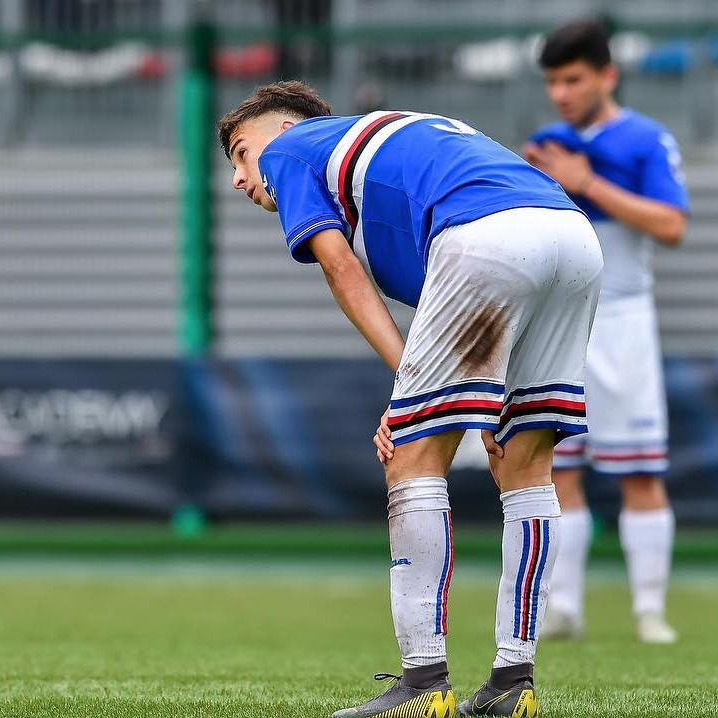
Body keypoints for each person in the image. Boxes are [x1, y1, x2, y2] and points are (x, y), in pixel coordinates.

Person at [219, 81, 603, 717]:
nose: (238, 177)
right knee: (527, 466)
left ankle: (424, 680)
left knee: (410, 455)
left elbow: (341, 269)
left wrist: (409, 392)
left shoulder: (292, 149)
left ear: (283, 130)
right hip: (572, 237)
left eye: (240, 152)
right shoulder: (395, 142)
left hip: (484, 238)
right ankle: (514, 683)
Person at [525, 20, 688, 645]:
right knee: (556, 466)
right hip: (558, 319)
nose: (561, 94)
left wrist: (588, 183)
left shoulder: (647, 139)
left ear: (607, 75)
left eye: (573, 79)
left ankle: (650, 610)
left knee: (639, 470)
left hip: (623, 319)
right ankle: (564, 607)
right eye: (552, 82)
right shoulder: (546, 144)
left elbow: (671, 226)